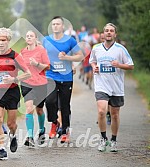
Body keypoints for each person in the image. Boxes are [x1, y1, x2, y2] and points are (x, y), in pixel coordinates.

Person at [0, 27, 31, 160]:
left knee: (11, 123)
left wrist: (14, 79)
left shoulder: (14, 56)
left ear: (8, 41)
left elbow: (28, 73)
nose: (0, 42)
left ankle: (13, 135)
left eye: (3, 40)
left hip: (12, 92)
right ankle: (1, 149)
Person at [89, 23, 134, 152]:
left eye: (111, 31)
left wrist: (119, 65)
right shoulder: (96, 48)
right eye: (106, 31)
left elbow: (131, 66)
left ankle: (113, 140)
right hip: (101, 85)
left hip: (116, 86)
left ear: (115, 34)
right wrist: (94, 67)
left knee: (114, 114)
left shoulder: (120, 49)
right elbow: (92, 61)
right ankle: (103, 139)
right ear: (103, 34)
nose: (109, 33)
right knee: (102, 111)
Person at [43, 16, 83, 143]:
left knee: (65, 105)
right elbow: (40, 54)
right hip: (50, 76)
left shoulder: (70, 40)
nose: (55, 26)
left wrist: (67, 59)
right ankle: (54, 122)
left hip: (66, 77)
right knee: (49, 102)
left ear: (63, 26)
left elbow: (80, 56)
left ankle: (65, 131)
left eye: (58, 24)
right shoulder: (46, 40)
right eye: (53, 24)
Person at [20, 30, 50, 147]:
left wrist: (36, 64)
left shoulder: (41, 50)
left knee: (39, 110)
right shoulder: (22, 52)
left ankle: (42, 130)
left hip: (40, 83)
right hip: (27, 83)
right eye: (27, 36)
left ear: (35, 38)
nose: (29, 37)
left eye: (31, 36)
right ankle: (30, 136)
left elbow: (47, 67)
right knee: (29, 108)